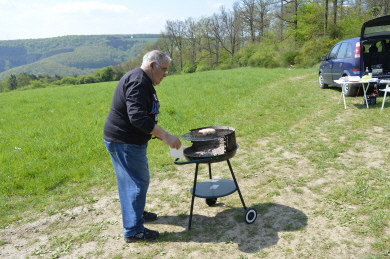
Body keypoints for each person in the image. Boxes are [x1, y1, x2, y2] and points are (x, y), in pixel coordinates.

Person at [103, 50, 181, 243]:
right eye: (164, 70)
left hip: (126, 141)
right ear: (153, 66)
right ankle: (133, 231)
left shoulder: (143, 80)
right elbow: (137, 117)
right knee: (137, 183)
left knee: (133, 181)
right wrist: (165, 136)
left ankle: (136, 213)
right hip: (125, 142)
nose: (165, 74)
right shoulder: (138, 81)